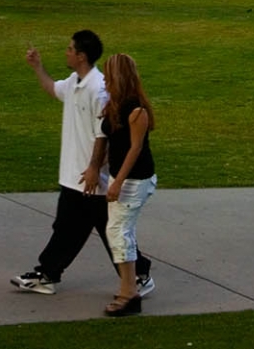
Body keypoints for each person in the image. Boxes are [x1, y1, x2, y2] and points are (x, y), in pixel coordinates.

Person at [12, 31, 154, 299]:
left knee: (95, 229)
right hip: (74, 175)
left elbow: (104, 133)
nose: (65, 52)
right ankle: (52, 273)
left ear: (81, 56)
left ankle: (51, 274)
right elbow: (53, 89)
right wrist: (38, 68)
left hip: (90, 178)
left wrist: (93, 168)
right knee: (83, 228)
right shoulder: (75, 82)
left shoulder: (99, 89)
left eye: (69, 49)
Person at [94, 52, 157, 318]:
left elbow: (135, 148)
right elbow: (110, 141)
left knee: (119, 232)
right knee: (119, 232)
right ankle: (129, 287)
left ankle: (129, 293)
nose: (105, 80)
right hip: (121, 177)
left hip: (135, 179)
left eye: (109, 75)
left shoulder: (136, 110)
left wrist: (117, 182)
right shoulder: (114, 105)